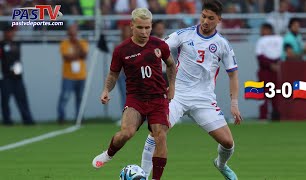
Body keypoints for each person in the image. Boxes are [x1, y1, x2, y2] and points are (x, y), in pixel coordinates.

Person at [140, 0, 242, 179]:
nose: (205, 21)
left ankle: (221, 164)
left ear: (219, 19)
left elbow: (233, 75)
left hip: (204, 100)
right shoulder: (184, 35)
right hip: (177, 95)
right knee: (156, 132)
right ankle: (143, 175)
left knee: (228, 142)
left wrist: (234, 103)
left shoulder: (222, 44)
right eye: (203, 16)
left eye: (211, 18)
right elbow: (161, 47)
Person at [91, 8, 176, 180]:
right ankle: (108, 154)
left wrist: (172, 86)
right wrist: (106, 89)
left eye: (147, 27)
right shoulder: (121, 50)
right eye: (140, 28)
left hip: (157, 98)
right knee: (126, 133)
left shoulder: (159, 45)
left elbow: (171, 64)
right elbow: (114, 74)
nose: (144, 32)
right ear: (132, 26)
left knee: (160, 135)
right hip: (135, 98)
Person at [0, 25, 35, 125]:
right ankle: (7, 120)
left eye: (12, 32)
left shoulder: (16, 44)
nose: (11, 34)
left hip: (17, 76)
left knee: (22, 99)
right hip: (6, 77)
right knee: (5, 100)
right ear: (5, 33)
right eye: (9, 32)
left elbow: (17, 59)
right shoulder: (1, 45)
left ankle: (27, 119)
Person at [57, 23, 88, 124]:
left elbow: (84, 55)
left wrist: (77, 45)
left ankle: (79, 118)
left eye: (74, 31)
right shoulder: (64, 43)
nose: (73, 33)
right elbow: (66, 57)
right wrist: (77, 55)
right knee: (64, 97)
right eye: (71, 31)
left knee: (80, 99)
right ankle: (61, 118)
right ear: (68, 32)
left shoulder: (82, 42)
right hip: (68, 76)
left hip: (81, 76)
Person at [255, 23, 282, 120]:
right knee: (262, 95)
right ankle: (263, 116)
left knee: (277, 94)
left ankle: (277, 116)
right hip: (265, 71)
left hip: (274, 70)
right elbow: (259, 56)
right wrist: (271, 65)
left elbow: (281, 53)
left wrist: (276, 64)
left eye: (263, 30)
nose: (261, 32)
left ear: (269, 30)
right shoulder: (261, 41)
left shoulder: (278, 39)